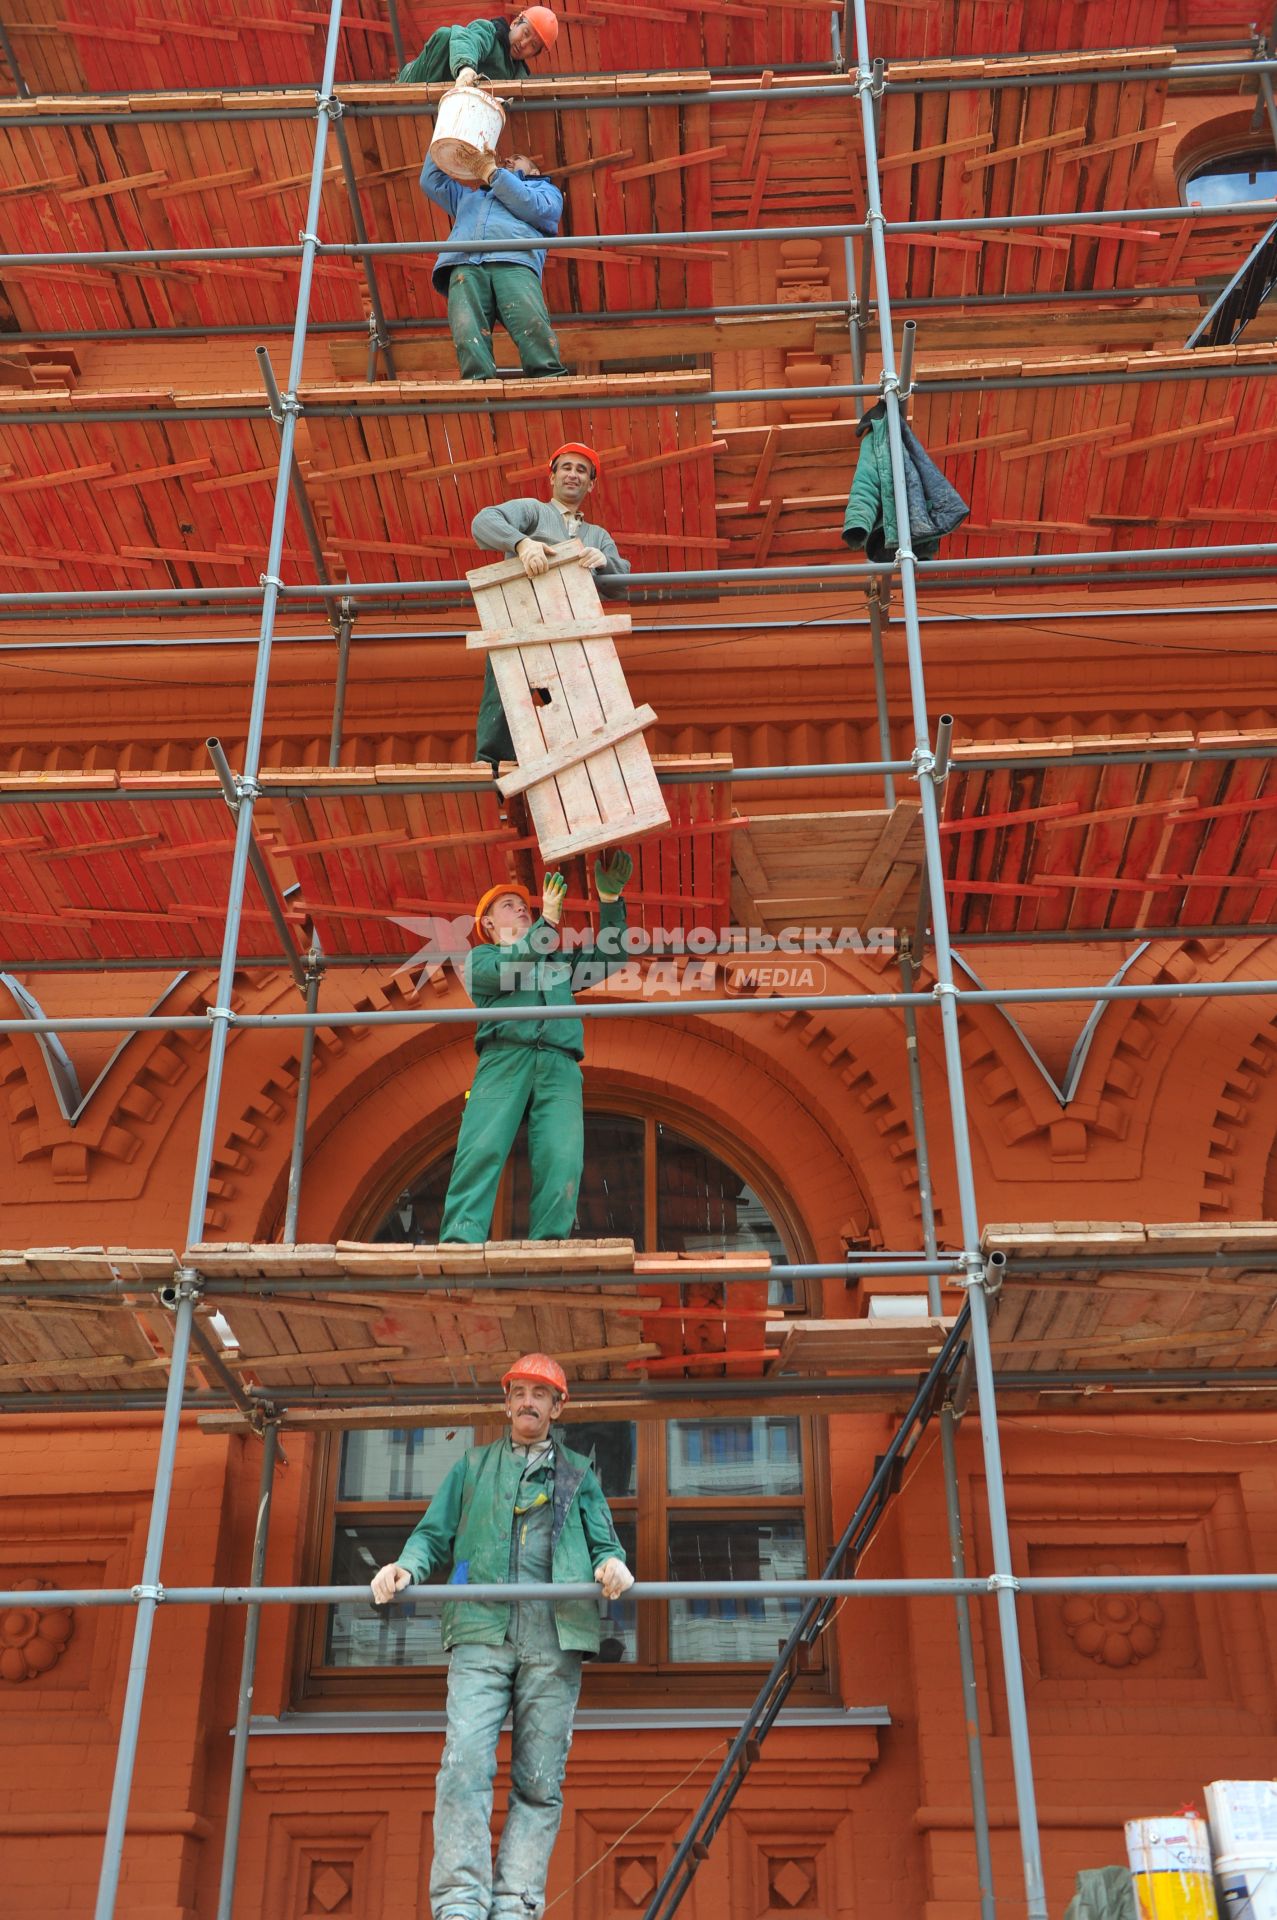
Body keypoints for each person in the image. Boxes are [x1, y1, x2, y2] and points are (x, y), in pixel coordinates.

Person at [371, 1353, 635, 1920]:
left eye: (541, 1394)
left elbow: (606, 1545)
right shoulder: (471, 1466)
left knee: (539, 1780)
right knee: (464, 1764)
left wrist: (614, 1568)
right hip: (480, 1631)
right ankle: (461, 1904)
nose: (528, 1402)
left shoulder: (578, 1476)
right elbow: (431, 1534)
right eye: (519, 1391)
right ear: (505, 1400)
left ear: (558, 1407)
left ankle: (515, 1904)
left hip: (555, 1635)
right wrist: (406, 1568)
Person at [438, 857, 633, 1244]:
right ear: (488, 925)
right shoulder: (481, 959)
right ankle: (460, 1238)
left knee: (563, 1156)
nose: (522, 907)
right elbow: (512, 966)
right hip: (505, 1058)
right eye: (508, 905)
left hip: (560, 1062)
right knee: (482, 1147)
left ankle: (550, 1241)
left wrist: (610, 899)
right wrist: (548, 926)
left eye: (524, 904)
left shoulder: (555, 961)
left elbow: (611, 957)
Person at [471, 443, 630, 771]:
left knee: (575, 708)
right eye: (567, 467)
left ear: (591, 484)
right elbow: (483, 523)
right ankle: (490, 770)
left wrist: (606, 563)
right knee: (505, 695)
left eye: (582, 471)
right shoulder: (532, 512)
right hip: (520, 621)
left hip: (570, 634)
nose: (573, 474)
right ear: (552, 477)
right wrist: (521, 542)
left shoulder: (597, 536)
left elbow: (620, 583)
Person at [420, 150, 568, 382]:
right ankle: (476, 386)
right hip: (464, 262)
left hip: (513, 259)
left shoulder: (544, 190)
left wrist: (492, 173)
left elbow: (536, 208)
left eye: (517, 158)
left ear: (535, 172)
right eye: (505, 159)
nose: (507, 160)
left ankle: (548, 380)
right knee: (467, 330)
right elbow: (431, 180)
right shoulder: (469, 198)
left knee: (530, 322)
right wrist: (447, 132)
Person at [397, 8, 560, 86]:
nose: (524, 44)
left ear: (534, 54)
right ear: (515, 23)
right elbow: (468, 39)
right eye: (525, 33)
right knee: (445, 35)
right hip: (415, 81)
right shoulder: (489, 31)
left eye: (533, 45)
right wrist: (466, 69)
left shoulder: (518, 77)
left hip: (454, 111)